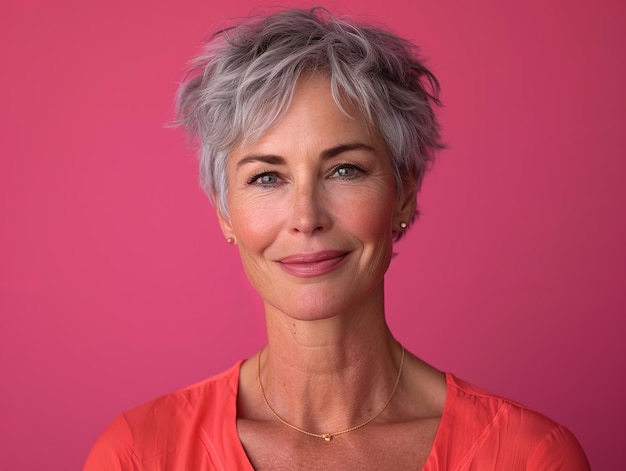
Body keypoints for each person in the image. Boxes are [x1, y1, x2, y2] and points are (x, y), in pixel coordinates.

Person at [84, 7, 590, 470]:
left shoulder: (528, 457)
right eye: (267, 177)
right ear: (225, 212)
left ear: (404, 194)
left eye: (345, 170)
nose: (306, 217)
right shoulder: (138, 453)